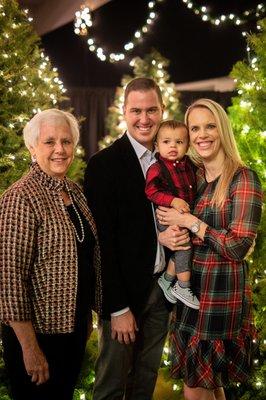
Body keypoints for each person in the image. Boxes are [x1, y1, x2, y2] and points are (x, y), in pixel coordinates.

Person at [84, 77, 185, 400]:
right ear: (124, 112)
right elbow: (104, 243)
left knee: (145, 380)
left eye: (152, 110)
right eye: (137, 111)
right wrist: (117, 308)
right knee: (112, 385)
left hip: (161, 290)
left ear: (162, 109)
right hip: (124, 297)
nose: (145, 119)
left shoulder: (175, 162)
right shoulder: (104, 164)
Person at [156, 99, 263, 400]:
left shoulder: (243, 179)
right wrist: (167, 237)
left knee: (195, 389)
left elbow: (239, 246)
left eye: (210, 126)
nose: (202, 135)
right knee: (208, 385)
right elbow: (169, 223)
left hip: (220, 296)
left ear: (222, 130)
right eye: (195, 128)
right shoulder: (194, 178)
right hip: (190, 292)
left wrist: (192, 223)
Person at [0, 109, 102, 400]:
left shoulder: (74, 191)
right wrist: (29, 348)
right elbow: (9, 279)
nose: (60, 149)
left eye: (67, 141)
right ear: (32, 148)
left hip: (72, 329)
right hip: (38, 336)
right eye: (49, 142)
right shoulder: (20, 197)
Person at [145, 119, 199, 309]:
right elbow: (151, 192)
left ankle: (167, 279)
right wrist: (173, 201)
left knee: (185, 246)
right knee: (183, 246)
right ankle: (183, 286)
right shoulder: (157, 168)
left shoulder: (189, 165)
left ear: (187, 145)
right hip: (167, 215)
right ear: (157, 145)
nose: (173, 146)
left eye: (179, 142)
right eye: (167, 142)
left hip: (184, 216)